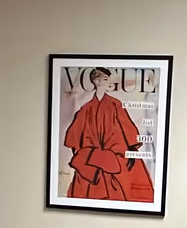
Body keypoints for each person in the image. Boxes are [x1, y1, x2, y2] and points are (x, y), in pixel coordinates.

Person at [63, 66, 153, 202]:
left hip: (115, 158)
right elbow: (75, 139)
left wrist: (126, 154)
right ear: (97, 81)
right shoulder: (85, 109)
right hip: (91, 161)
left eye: (108, 79)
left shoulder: (115, 104)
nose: (108, 83)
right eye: (105, 79)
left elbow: (128, 132)